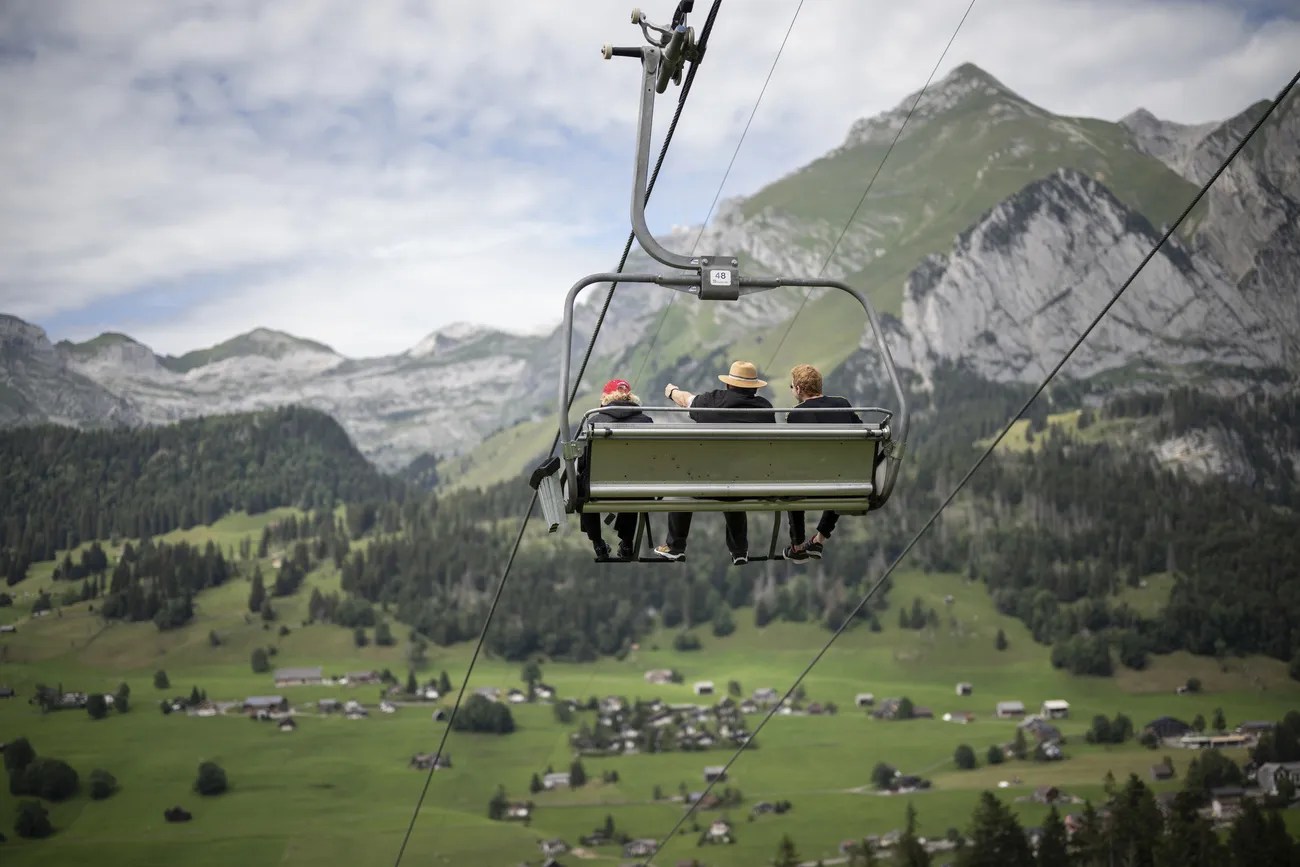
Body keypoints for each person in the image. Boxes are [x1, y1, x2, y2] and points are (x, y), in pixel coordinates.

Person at [654, 361, 775, 565]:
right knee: (734, 483)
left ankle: (675, 546)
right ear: (754, 388)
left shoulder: (713, 400)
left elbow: (686, 400)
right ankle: (739, 550)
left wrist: (672, 391)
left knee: (683, 484)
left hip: (709, 483)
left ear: (728, 384)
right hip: (751, 485)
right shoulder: (765, 408)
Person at [783, 363, 862, 562]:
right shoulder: (842, 403)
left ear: (799, 389)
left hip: (810, 482)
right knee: (839, 471)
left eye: (791, 387)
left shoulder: (796, 414)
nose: (792, 390)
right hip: (846, 480)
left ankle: (798, 544)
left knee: (792, 479)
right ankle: (819, 539)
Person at [581, 378, 653, 560]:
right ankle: (627, 543)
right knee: (633, 480)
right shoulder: (646, 421)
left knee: (583, 480)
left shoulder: (595, 420)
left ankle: (597, 542)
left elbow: (583, 463)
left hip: (598, 489)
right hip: (637, 490)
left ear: (606, 398)